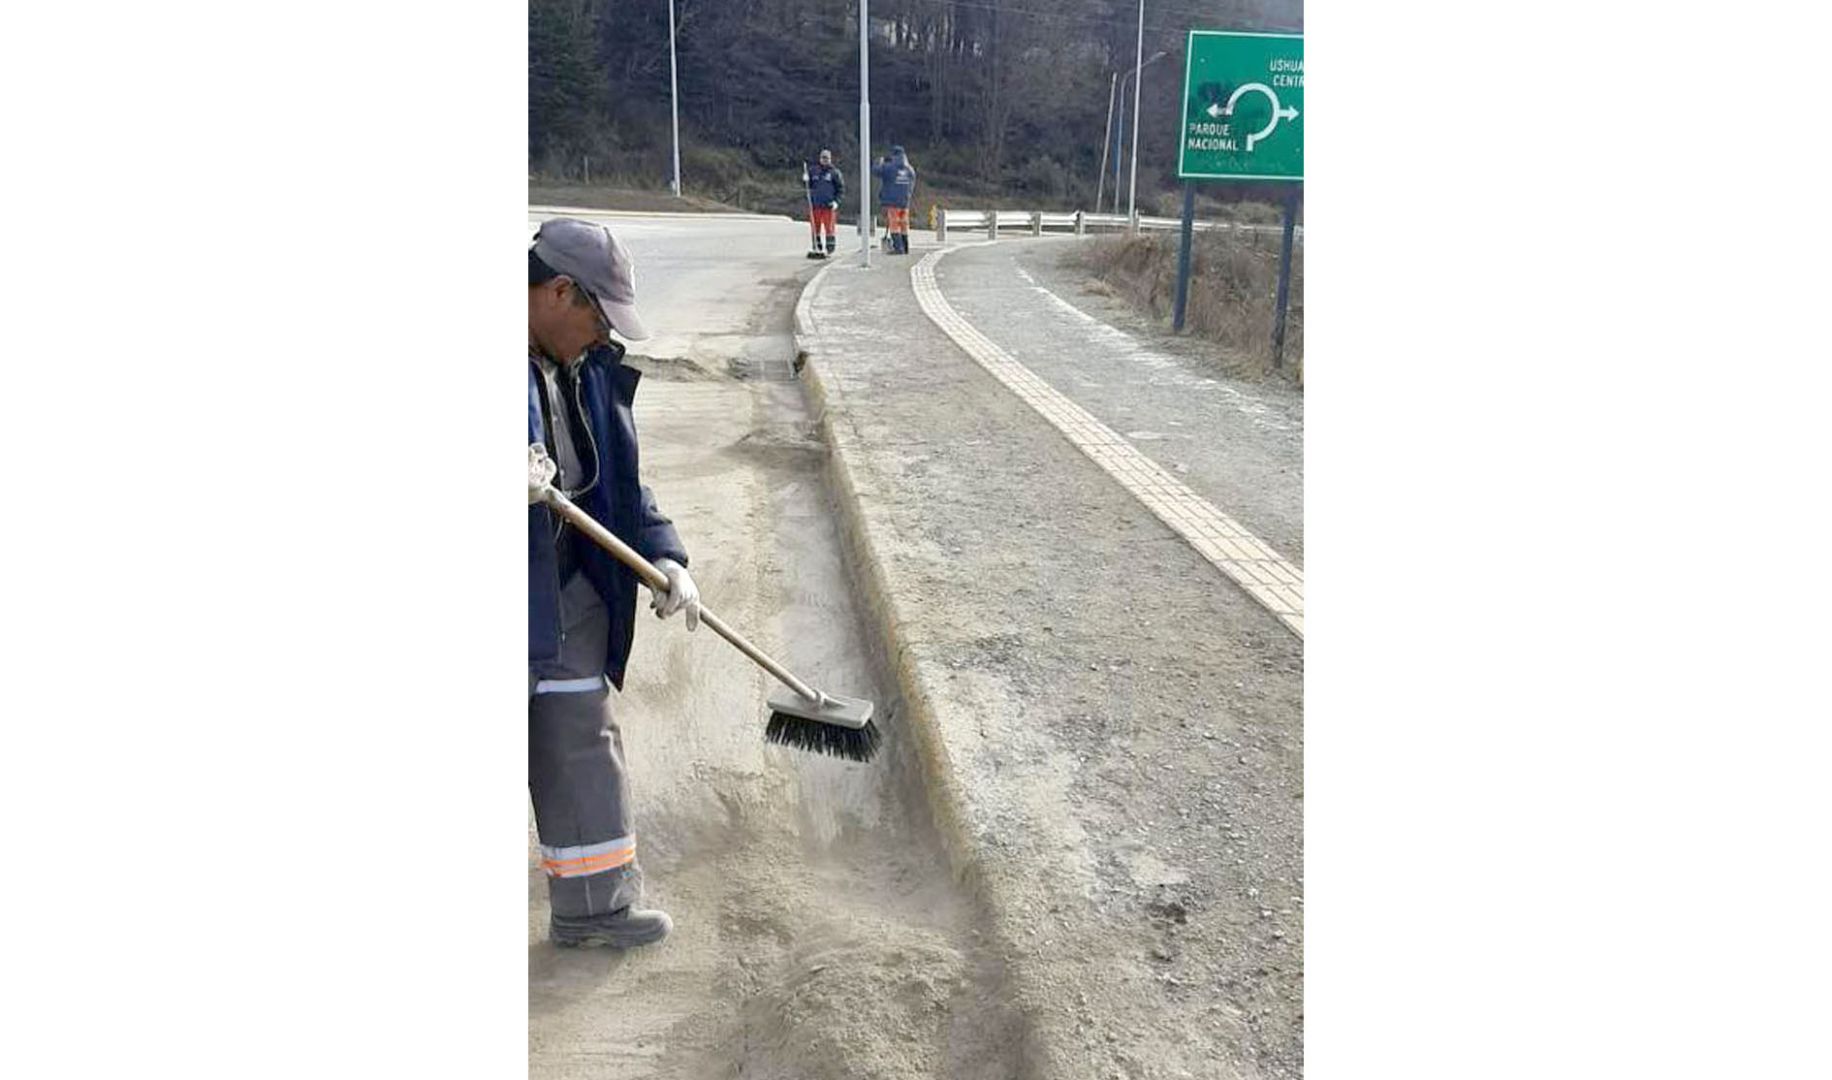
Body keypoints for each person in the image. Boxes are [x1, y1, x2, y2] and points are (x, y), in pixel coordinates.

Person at [527, 218, 702, 949]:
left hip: (565, 590)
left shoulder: (583, 365)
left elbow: (621, 483)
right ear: (559, 291)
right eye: (598, 318)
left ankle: (594, 906)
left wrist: (665, 555)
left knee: (580, 744)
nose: (603, 337)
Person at [873, 145, 917, 255]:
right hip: (905, 202)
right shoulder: (910, 170)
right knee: (903, 224)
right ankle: (905, 247)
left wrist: (879, 162)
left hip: (893, 202)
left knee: (894, 224)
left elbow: (875, 171)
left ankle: (898, 248)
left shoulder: (889, 167)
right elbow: (912, 184)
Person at [804, 149, 844, 258]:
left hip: (829, 206)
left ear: (830, 159)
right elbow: (808, 186)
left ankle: (830, 249)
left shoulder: (835, 173)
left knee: (829, 228)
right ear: (820, 158)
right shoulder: (813, 171)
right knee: (815, 227)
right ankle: (817, 247)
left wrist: (836, 202)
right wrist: (805, 179)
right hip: (815, 205)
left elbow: (840, 189)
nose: (825, 160)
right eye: (823, 158)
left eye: (827, 158)